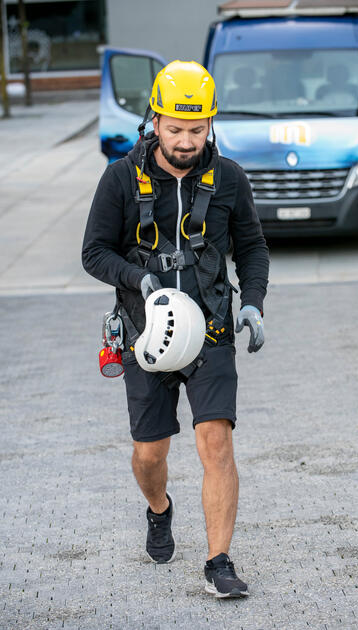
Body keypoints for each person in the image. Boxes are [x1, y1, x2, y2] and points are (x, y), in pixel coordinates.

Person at [82, 60, 269, 598]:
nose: (186, 141)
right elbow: (93, 252)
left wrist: (252, 304)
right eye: (175, 129)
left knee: (216, 444)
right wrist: (137, 278)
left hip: (211, 335)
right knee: (150, 453)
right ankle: (159, 509)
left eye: (197, 129)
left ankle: (219, 562)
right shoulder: (121, 178)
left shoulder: (229, 178)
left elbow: (252, 248)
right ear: (155, 121)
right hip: (146, 337)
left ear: (210, 123)